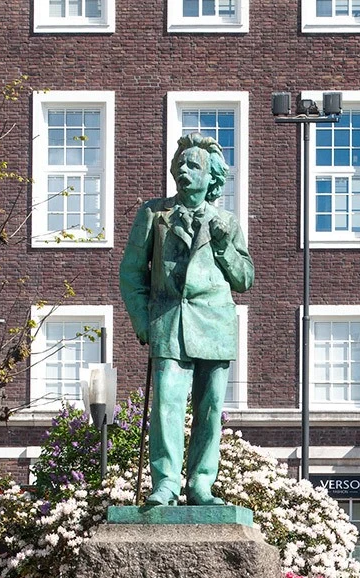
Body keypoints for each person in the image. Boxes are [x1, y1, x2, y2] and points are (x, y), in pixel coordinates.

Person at [119, 133, 255, 507]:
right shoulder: (154, 214)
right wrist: (142, 320)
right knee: (166, 405)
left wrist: (225, 245)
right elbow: (131, 273)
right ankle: (165, 483)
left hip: (215, 324)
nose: (183, 169)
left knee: (210, 410)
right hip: (168, 320)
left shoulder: (226, 221)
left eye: (193, 164)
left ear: (212, 176)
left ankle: (201, 484)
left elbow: (244, 279)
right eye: (180, 163)